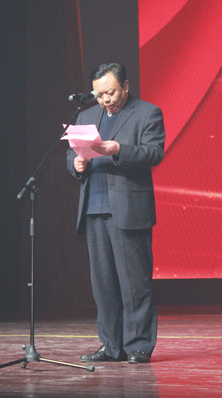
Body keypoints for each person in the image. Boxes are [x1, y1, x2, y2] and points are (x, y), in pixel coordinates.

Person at [66, 62, 165, 364]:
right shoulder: (86, 116)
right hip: (93, 207)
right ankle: (111, 346)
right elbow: (71, 152)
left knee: (134, 284)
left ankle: (138, 346)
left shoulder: (147, 113)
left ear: (125, 86)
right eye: (99, 95)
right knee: (104, 285)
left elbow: (154, 152)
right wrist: (75, 164)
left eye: (110, 92)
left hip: (129, 209)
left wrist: (118, 149)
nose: (105, 99)